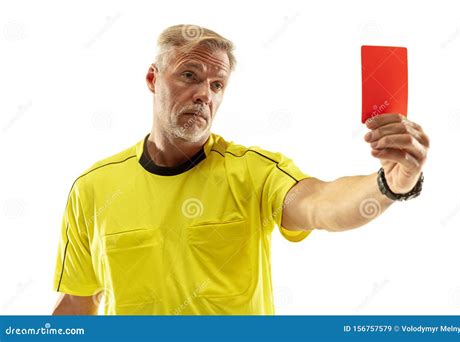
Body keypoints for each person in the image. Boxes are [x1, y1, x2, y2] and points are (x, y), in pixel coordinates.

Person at [52, 24, 430, 315]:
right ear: (153, 78)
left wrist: (390, 184)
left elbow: (321, 203)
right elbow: (77, 303)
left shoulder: (253, 172)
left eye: (218, 84)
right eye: (190, 76)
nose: (205, 94)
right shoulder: (93, 187)